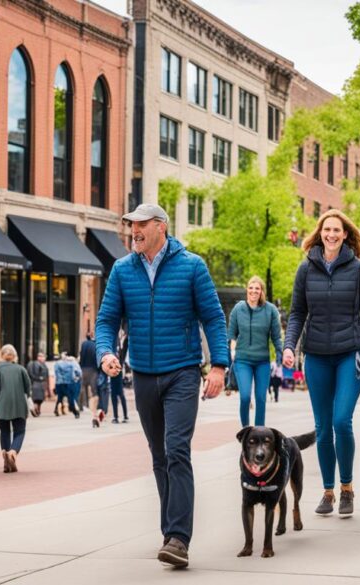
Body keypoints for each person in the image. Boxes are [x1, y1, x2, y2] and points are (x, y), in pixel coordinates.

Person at [95, 203, 229, 569]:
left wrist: (218, 366)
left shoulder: (192, 266)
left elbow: (214, 318)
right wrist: (105, 352)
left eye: (139, 225)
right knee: (158, 456)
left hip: (183, 371)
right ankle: (170, 530)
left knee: (176, 450)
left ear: (160, 226)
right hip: (143, 374)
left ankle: (178, 539)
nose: (133, 231)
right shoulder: (123, 270)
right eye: (130, 226)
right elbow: (106, 319)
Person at [282, 209, 360, 520]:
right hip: (315, 356)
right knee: (323, 428)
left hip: (349, 354)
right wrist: (290, 345)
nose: (331, 234)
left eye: (336, 230)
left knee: (342, 421)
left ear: (345, 234)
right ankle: (328, 491)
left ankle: (347, 488)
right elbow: (297, 312)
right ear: (320, 233)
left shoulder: (358, 270)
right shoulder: (306, 269)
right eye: (326, 229)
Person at [228, 276, 283, 427]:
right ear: (247, 289)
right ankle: (245, 430)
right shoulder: (238, 309)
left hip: (262, 362)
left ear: (261, 291)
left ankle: (259, 431)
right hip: (242, 360)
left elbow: (276, 336)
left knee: (261, 398)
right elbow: (231, 334)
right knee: (245, 397)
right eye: (251, 288)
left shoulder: (270, 310)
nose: (253, 291)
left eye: (257, 288)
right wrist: (232, 353)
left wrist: (280, 354)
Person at [0, 345, 31, 472]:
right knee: (20, 431)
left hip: (2, 405)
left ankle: (6, 460)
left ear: (2, 355)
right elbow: (27, 387)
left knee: (4, 431)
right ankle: (13, 452)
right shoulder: (21, 369)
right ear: (15, 356)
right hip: (19, 404)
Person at [52, 352, 81, 417]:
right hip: (69, 383)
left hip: (59, 383)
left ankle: (56, 409)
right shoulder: (72, 363)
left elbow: (56, 373)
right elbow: (78, 373)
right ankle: (75, 412)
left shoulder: (57, 364)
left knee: (60, 397)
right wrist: (76, 378)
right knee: (70, 398)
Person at [80, 334, 99, 418]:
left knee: (83, 388)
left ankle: (84, 405)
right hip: (93, 369)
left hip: (84, 368)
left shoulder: (84, 344)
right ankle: (95, 406)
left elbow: (81, 356)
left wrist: (81, 366)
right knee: (94, 389)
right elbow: (96, 357)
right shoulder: (95, 345)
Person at [27, 352, 49, 417]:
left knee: (40, 399)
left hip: (42, 384)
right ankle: (36, 408)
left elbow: (46, 375)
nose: (42, 358)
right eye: (41, 356)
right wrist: (39, 378)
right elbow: (31, 374)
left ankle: (37, 409)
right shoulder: (34, 364)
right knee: (37, 398)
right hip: (36, 383)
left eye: (43, 357)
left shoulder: (44, 365)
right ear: (38, 357)